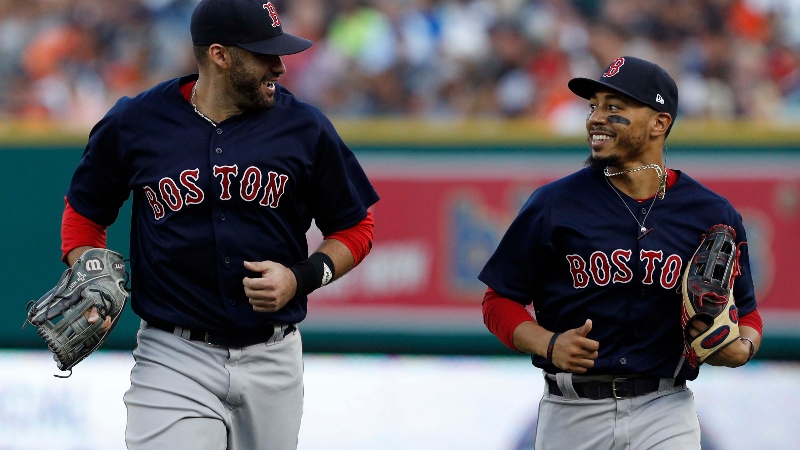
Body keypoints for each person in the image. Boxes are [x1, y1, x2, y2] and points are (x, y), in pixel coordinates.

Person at [60, 1, 379, 449]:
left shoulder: (304, 129)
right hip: (174, 356)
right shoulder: (137, 123)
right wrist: (86, 267)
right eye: (264, 54)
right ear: (220, 55)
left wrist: (299, 278)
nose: (280, 67)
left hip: (274, 359)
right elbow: (85, 211)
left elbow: (356, 228)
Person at [478, 56, 762, 449]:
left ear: (659, 123)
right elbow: (498, 300)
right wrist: (547, 342)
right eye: (593, 106)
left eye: (615, 108)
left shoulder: (711, 214)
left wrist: (741, 348)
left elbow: (746, 313)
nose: (596, 118)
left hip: (665, 407)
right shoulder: (553, 204)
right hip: (571, 410)